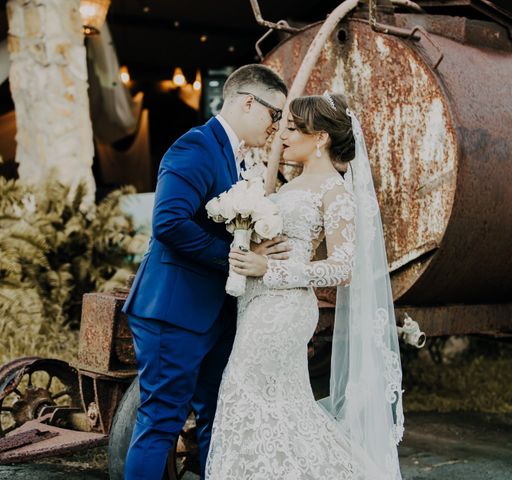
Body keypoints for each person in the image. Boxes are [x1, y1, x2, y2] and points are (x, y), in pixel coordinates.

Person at [205, 92, 404, 479]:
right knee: (276, 405)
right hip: (257, 304)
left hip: (285, 308)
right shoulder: (290, 184)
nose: (283, 136)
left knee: (244, 394)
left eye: (293, 129)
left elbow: (343, 268)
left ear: (321, 138)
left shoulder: (335, 191)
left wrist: (270, 270)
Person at [121, 64, 290, 479]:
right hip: (173, 312)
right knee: (161, 421)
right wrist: (232, 257)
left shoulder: (233, 157)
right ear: (249, 102)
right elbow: (169, 223)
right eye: (275, 115)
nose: (277, 127)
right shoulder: (195, 147)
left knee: (219, 416)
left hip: (213, 312)